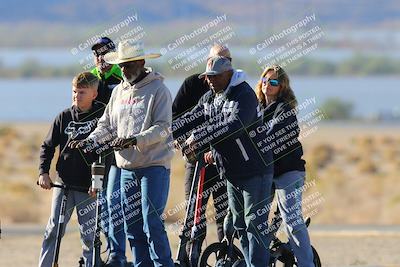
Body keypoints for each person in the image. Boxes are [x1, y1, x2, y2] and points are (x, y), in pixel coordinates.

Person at [71, 39, 175, 267]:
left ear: (141, 62)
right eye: (122, 65)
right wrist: (89, 140)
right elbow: (106, 124)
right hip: (126, 168)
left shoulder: (159, 90)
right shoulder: (119, 91)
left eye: (128, 65)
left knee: (152, 223)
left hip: (153, 166)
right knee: (132, 225)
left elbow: (162, 127)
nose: (124, 70)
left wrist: (134, 140)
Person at [173, 56, 274, 267]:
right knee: (240, 226)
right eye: (208, 77)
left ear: (228, 74)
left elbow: (232, 126)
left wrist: (198, 136)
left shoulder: (244, 94)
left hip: (255, 171)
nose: (210, 81)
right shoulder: (212, 97)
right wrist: (167, 134)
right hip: (231, 173)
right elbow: (191, 117)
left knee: (254, 225)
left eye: (215, 76)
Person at [38, 72, 105, 267]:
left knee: (89, 234)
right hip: (63, 183)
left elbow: (107, 153)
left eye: (82, 92)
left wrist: (98, 183)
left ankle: (90, 263)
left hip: (89, 188)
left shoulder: (102, 115)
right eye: (74, 92)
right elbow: (47, 146)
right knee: (53, 230)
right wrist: (43, 172)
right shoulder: (64, 117)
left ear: (94, 93)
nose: (77, 96)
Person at [172, 44, 231, 252]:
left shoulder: (235, 88)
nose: (221, 65)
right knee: (193, 210)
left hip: (222, 159)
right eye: (216, 60)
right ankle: (192, 254)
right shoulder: (192, 84)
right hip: (196, 158)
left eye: (226, 60)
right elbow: (176, 116)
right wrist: (181, 139)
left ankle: (227, 256)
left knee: (224, 212)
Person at [255, 65, 315, 267]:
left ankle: (306, 263)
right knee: (254, 219)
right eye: (265, 80)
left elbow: (272, 137)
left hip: (288, 172)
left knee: (292, 220)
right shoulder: (256, 108)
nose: (267, 85)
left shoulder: (285, 110)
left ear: (282, 87)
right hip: (265, 172)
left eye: (273, 82)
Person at [91, 37, 126, 267]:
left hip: (117, 151)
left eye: (105, 52)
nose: (100, 57)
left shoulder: (120, 76)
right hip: (97, 152)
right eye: (96, 54)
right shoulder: (91, 78)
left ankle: (118, 254)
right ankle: (102, 251)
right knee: (100, 205)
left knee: (114, 203)